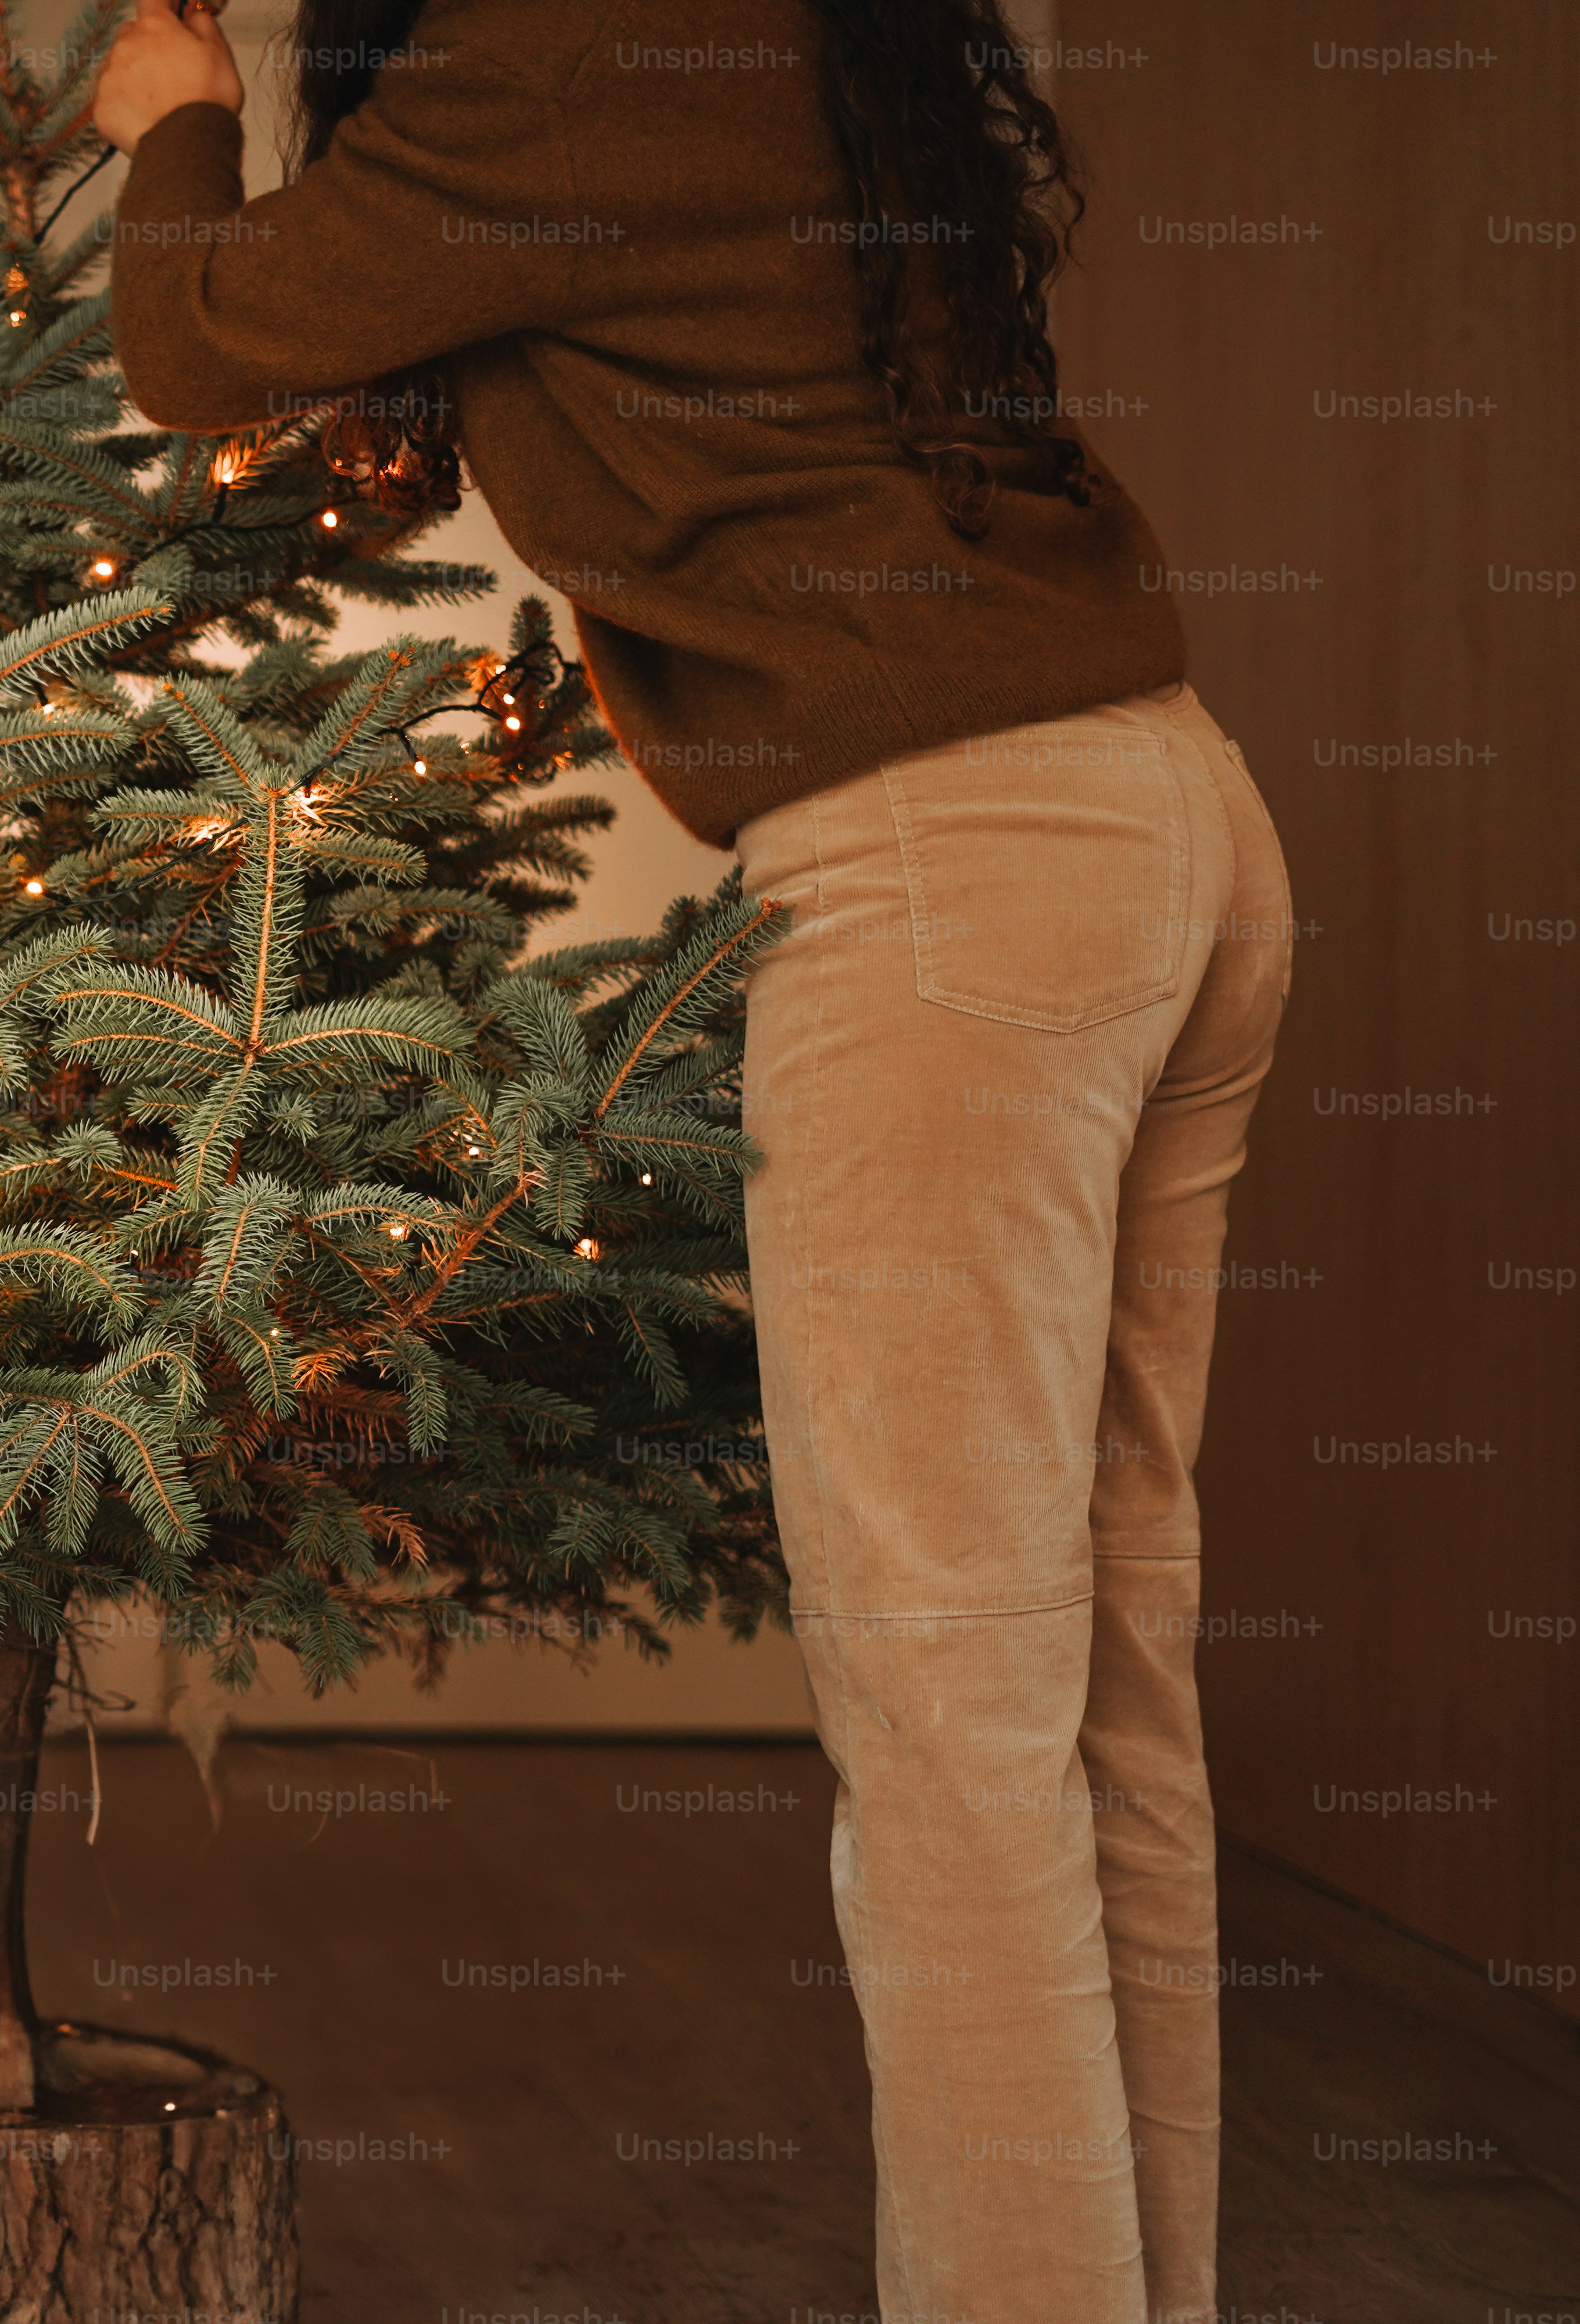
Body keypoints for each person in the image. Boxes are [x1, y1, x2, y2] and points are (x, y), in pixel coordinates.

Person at [92, 3, 1295, 2319]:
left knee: (953, 1743)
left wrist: (180, 125)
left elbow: (190, 333)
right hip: (1168, 808)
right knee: (1099, 1693)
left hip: (960, 866)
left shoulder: (543, 44)